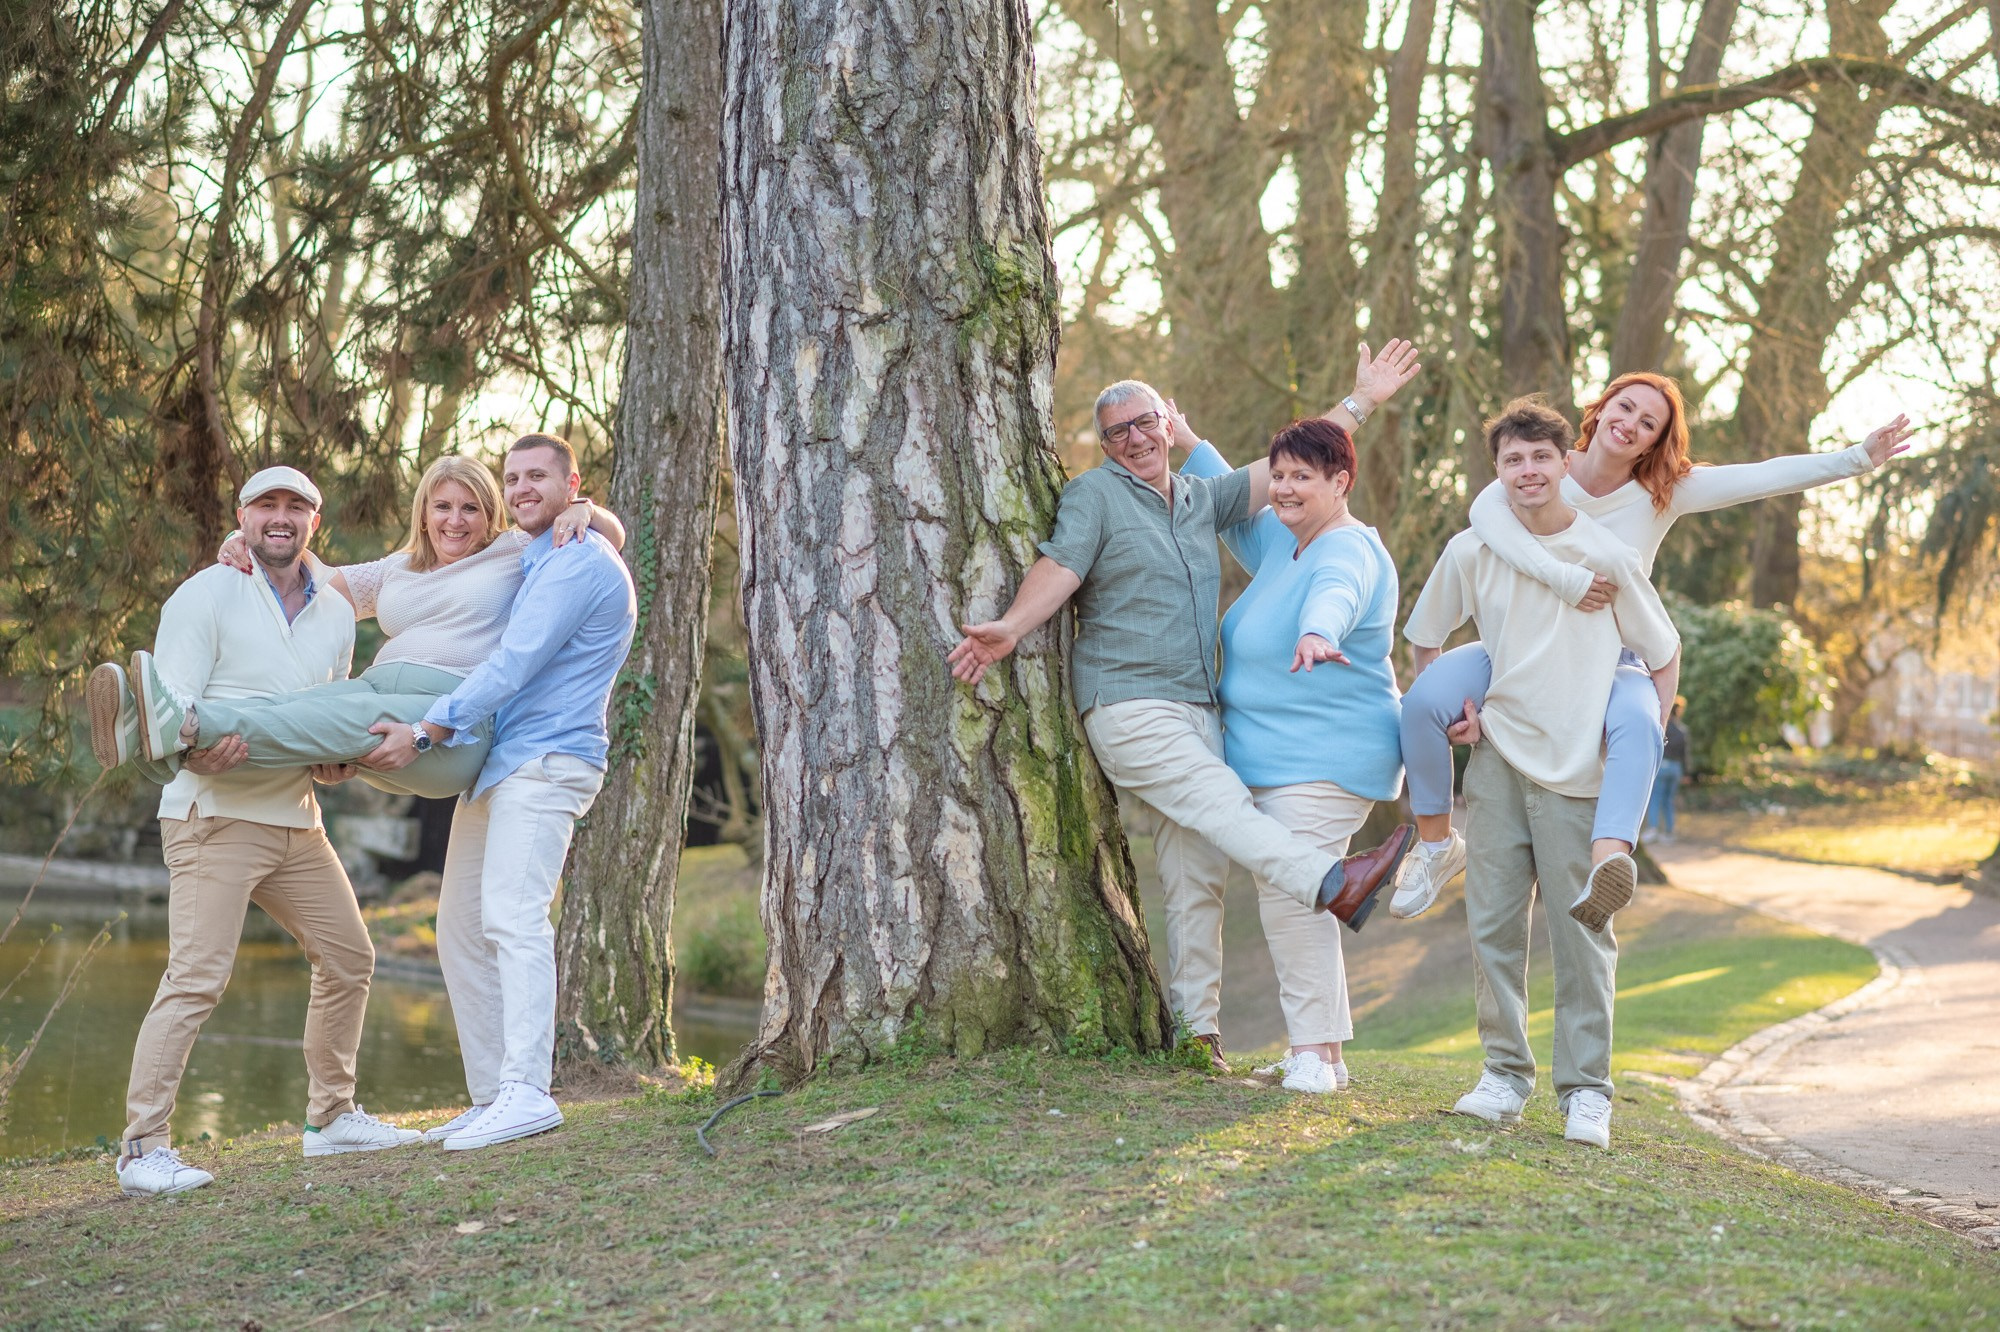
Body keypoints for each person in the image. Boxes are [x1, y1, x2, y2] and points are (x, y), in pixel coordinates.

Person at [947, 344, 1422, 1073]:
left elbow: (1298, 469)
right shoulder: (1095, 497)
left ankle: (1198, 1034)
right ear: (1104, 445)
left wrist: (1361, 402)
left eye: (1143, 423)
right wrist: (1012, 626)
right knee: (1232, 807)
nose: (1132, 439)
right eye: (1115, 432)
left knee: (1197, 868)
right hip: (1130, 704)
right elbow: (1062, 567)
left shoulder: (1204, 498)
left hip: (1201, 711)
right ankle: (1333, 882)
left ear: (1167, 426)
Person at [1393, 372, 1914, 926]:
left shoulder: (1662, 493)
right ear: (1600, 409)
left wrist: (1857, 458)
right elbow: (1482, 516)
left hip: (1606, 654)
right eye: (1625, 408)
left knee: (1640, 722)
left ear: (1655, 442)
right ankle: (1435, 844)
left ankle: (1609, 862)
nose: (1631, 425)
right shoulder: (1541, 465)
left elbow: (1760, 477)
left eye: (1649, 423)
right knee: (1422, 703)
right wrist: (1560, 581)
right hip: (1514, 647)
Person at [103, 466, 422, 1198]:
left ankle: (332, 1119)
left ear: (316, 519)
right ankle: (141, 1149)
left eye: (295, 507)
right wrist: (192, 749)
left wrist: (335, 765)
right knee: (196, 980)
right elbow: (172, 704)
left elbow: (317, 719)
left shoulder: (338, 613)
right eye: (265, 505)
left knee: (350, 958)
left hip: (296, 820)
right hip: (213, 813)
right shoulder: (206, 592)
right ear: (241, 516)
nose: (281, 518)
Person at [1403, 398, 1681, 1149]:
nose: (1528, 471)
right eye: (1512, 460)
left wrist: (1642, 738)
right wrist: (1457, 714)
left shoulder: (1608, 558)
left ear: (1566, 462)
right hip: (1495, 762)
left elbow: (1661, 653)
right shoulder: (1471, 549)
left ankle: (1587, 1091)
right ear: (1497, 472)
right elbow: (1426, 642)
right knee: (1492, 927)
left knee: (1582, 935)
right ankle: (1503, 1076)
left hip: (1576, 772)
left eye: (1540, 458)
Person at [350, 433, 637, 1151]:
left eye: (538, 477)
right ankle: (490, 1096)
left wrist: (423, 732)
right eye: (514, 479)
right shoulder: (538, 553)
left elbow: (511, 664)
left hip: (547, 762)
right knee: (460, 930)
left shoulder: (574, 562)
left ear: (572, 481)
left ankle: (527, 1092)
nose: (523, 489)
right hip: (503, 766)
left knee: (513, 918)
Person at [90, 454, 623, 801]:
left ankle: (180, 724)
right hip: (374, 691)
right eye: (442, 507)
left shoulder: (513, 551)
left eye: (471, 509)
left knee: (310, 712)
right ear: (424, 513)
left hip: (446, 720)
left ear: (491, 517)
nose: (454, 521)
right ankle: (159, 740)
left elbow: (611, 540)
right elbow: (298, 568)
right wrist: (241, 538)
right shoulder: (398, 568)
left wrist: (584, 508)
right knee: (293, 708)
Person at [1178, 414, 1403, 1094]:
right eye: (1277, 475)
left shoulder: (1345, 550)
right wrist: (1190, 440)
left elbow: (1338, 595)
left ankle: (1310, 1052)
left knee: (1289, 892)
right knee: (1296, 889)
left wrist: (1316, 632)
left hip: (1325, 757)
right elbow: (1227, 500)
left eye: (1302, 477)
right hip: (1279, 758)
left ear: (1341, 482)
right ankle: (1326, 1057)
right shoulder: (1286, 542)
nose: (1284, 488)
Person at [1647, 698, 1690, 842]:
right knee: (1668, 800)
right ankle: (1669, 833)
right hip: (1676, 769)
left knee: (1655, 798)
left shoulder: (1662, 727)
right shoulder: (1682, 730)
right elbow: (1685, 754)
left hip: (1662, 766)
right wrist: (1686, 773)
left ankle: (1653, 829)